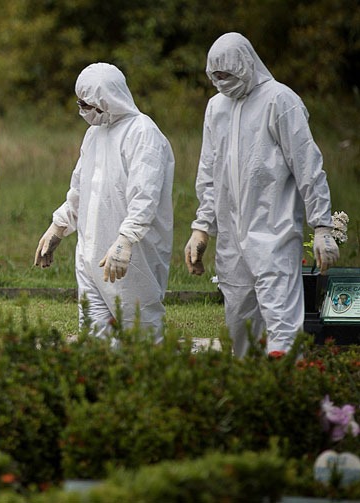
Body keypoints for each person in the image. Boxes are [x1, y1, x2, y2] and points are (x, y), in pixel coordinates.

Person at [184, 32, 339, 358]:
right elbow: (210, 173)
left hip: (274, 233)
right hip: (232, 241)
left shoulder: (280, 101)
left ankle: (286, 384)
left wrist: (322, 225)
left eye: (227, 74)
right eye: (215, 76)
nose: (222, 82)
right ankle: (249, 386)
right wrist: (202, 228)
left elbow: (308, 166)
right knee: (239, 326)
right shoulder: (216, 108)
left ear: (246, 65)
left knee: (282, 323)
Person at [34, 63, 174, 343]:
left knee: (141, 332)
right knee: (95, 338)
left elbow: (145, 195)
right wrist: (58, 227)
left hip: (132, 256)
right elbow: (80, 189)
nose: (82, 111)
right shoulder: (94, 134)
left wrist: (126, 240)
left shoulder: (142, 133)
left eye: (87, 105)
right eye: (80, 104)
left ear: (106, 101)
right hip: (91, 254)